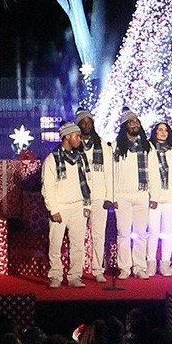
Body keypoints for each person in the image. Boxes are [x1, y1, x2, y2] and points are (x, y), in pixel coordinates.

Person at [41, 121, 91, 288]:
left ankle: (74, 276)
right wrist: (53, 209)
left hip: (78, 206)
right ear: (67, 137)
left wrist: (87, 205)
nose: (80, 139)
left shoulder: (81, 157)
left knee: (77, 244)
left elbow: (87, 182)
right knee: (55, 243)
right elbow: (47, 187)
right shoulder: (52, 159)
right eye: (77, 136)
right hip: (60, 207)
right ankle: (55, 275)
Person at [111, 110, 157, 279]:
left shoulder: (147, 146)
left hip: (142, 195)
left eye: (137, 122)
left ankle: (139, 267)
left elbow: (153, 172)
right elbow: (111, 173)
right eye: (131, 122)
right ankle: (124, 267)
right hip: (122, 196)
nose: (135, 124)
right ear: (125, 126)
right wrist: (113, 196)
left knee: (141, 234)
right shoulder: (115, 146)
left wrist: (154, 196)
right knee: (123, 233)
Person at [74, 108, 116, 282]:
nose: (86, 124)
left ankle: (98, 270)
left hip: (99, 197)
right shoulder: (74, 146)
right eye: (83, 122)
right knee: (77, 236)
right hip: (79, 197)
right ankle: (76, 272)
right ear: (78, 125)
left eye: (89, 121)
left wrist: (109, 197)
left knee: (98, 235)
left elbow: (109, 174)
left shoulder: (104, 146)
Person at [146, 120, 172, 277]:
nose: (163, 133)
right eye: (160, 129)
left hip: (171, 197)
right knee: (153, 231)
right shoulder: (147, 149)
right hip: (153, 197)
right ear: (155, 132)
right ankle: (150, 263)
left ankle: (165, 263)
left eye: (166, 130)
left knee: (168, 232)